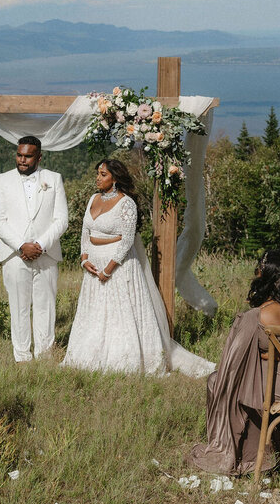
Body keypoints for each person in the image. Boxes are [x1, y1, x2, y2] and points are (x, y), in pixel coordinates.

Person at [62, 159, 214, 378]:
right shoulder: (93, 199)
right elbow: (85, 232)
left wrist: (108, 269)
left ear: (115, 178)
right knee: (94, 313)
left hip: (118, 267)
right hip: (93, 265)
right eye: (97, 173)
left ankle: (124, 361)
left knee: (119, 314)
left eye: (103, 174)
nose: (97, 177)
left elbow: (125, 241)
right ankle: (88, 357)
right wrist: (84, 259)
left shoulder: (126, 204)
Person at [186, 250, 280, 475]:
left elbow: (232, 365)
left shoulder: (258, 315)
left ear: (263, 277)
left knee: (219, 381)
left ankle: (249, 454)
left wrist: (278, 352)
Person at [0, 135, 69, 362]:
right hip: (14, 255)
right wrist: (22, 245)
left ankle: (45, 355)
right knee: (19, 308)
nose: (22, 160)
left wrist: (40, 245)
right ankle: (22, 357)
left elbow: (61, 220)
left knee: (46, 307)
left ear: (39, 157)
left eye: (28, 156)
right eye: (19, 155)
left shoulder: (54, 179)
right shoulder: (1, 180)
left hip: (47, 254)